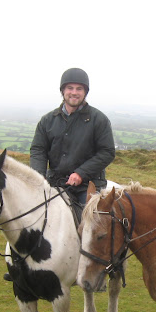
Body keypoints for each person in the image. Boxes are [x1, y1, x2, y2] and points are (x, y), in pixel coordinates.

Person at [30, 67, 115, 208]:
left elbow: (107, 152)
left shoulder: (99, 120)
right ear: (63, 91)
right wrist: (39, 177)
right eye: (70, 88)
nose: (74, 93)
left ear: (85, 92)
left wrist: (81, 173)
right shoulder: (47, 120)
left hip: (88, 186)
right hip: (55, 183)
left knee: (88, 225)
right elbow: (38, 150)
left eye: (79, 89)